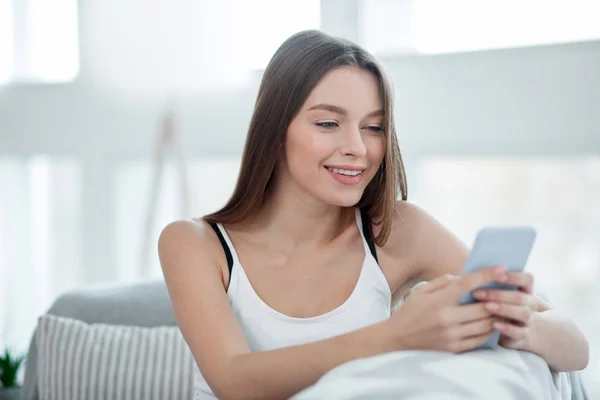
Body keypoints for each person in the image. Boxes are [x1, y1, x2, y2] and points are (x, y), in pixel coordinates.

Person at [158, 30, 589, 400]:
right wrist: (399, 336)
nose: (358, 149)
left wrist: (510, 326)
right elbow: (234, 382)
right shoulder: (194, 243)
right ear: (275, 129)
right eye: (328, 124)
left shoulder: (398, 231)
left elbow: (575, 344)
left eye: (374, 127)